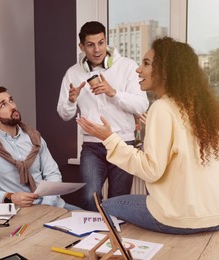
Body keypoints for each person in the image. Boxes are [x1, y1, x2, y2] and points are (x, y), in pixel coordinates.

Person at [76, 37, 219, 234]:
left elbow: (151, 170)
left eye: (146, 64)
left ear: (165, 71)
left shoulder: (162, 108)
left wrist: (109, 138)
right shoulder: (201, 109)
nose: (138, 70)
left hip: (179, 218)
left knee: (105, 207)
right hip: (214, 215)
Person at [56, 21, 149, 211]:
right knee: (90, 197)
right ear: (81, 47)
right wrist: (72, 100)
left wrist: (113, 93)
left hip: (123, 143)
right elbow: (64, 115)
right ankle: (91, 239)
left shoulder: (127, 66)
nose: (97, 50)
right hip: (92, 146)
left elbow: (141, 105)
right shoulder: (72, 73)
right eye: (90, 45)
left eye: (101, 42)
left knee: (119, 202)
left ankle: (115, 240)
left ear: (106, 41)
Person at [0, 86, 78, 210]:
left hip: (53, 206)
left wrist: (47, 205)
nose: (12, 106)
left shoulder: (34, 137)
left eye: (11, 100)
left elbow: (53, 174)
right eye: (3, 105)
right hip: (19, 213)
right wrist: (10, 197)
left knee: (98, 222)